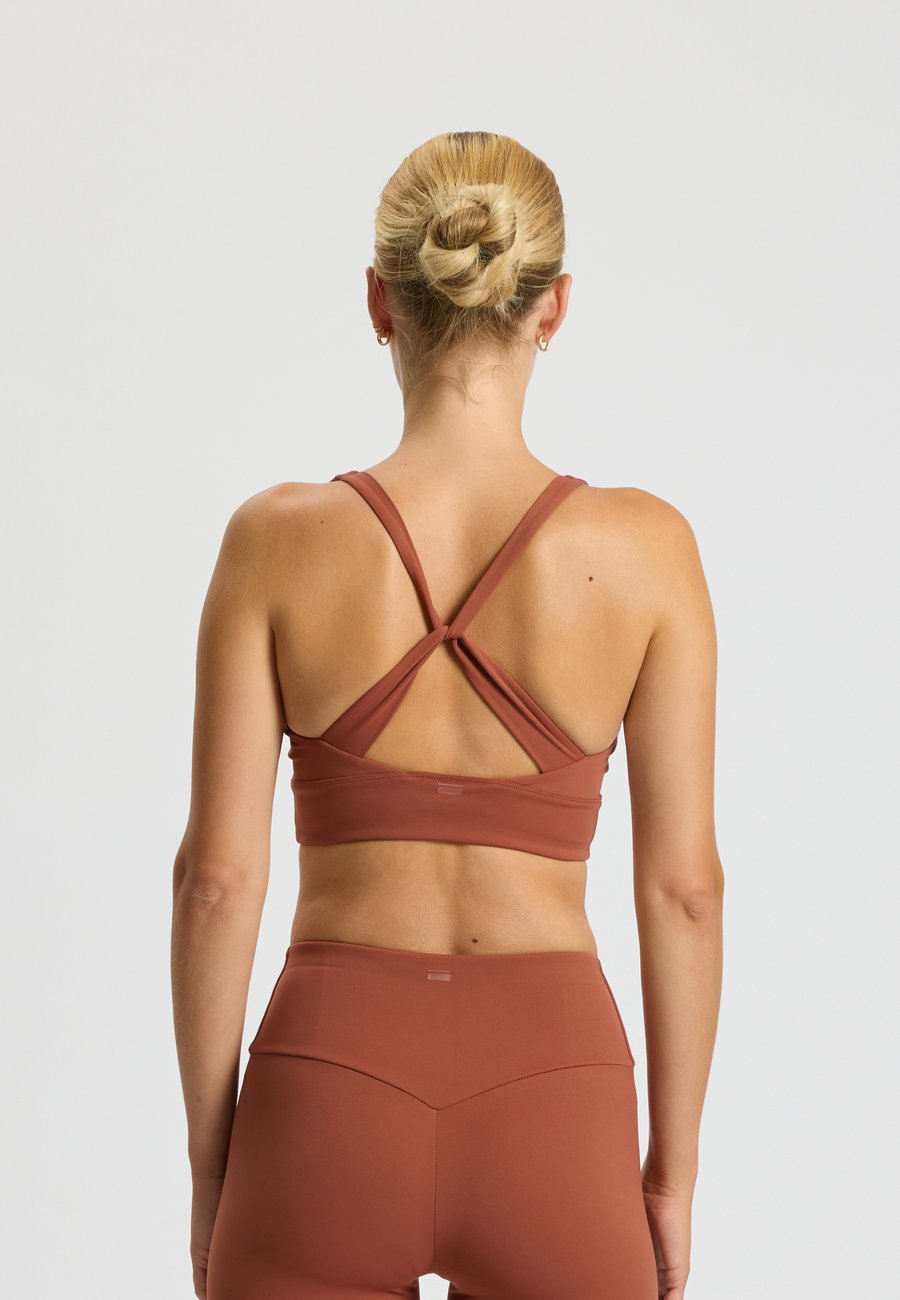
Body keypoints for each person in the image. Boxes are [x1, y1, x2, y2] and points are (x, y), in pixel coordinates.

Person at [171, 130, 724, 1300]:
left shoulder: (273, 542)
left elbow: (216, 882)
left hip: (327, 1097)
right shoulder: (647, 551)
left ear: (381, 300)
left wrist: (216, 1167)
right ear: (554, 306)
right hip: (555, 1105)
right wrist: (670, 1175)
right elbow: (685, 890)